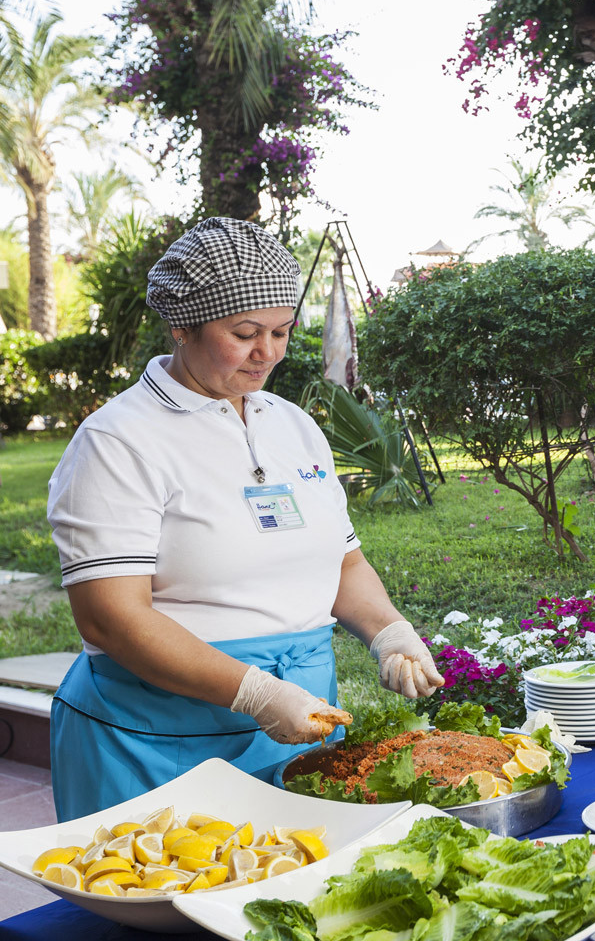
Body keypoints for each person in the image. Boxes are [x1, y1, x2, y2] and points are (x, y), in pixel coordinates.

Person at [46, 217, 443, 820]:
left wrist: (389, 631)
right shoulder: (117, 441)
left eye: (282, 332)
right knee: (169, 899)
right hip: (155, 739)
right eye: (244, 332)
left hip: (297, 719)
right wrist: (254, 691)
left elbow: (343, 561)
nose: (268, 353)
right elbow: (111, 618)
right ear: (181, 326)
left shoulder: (293, 425)